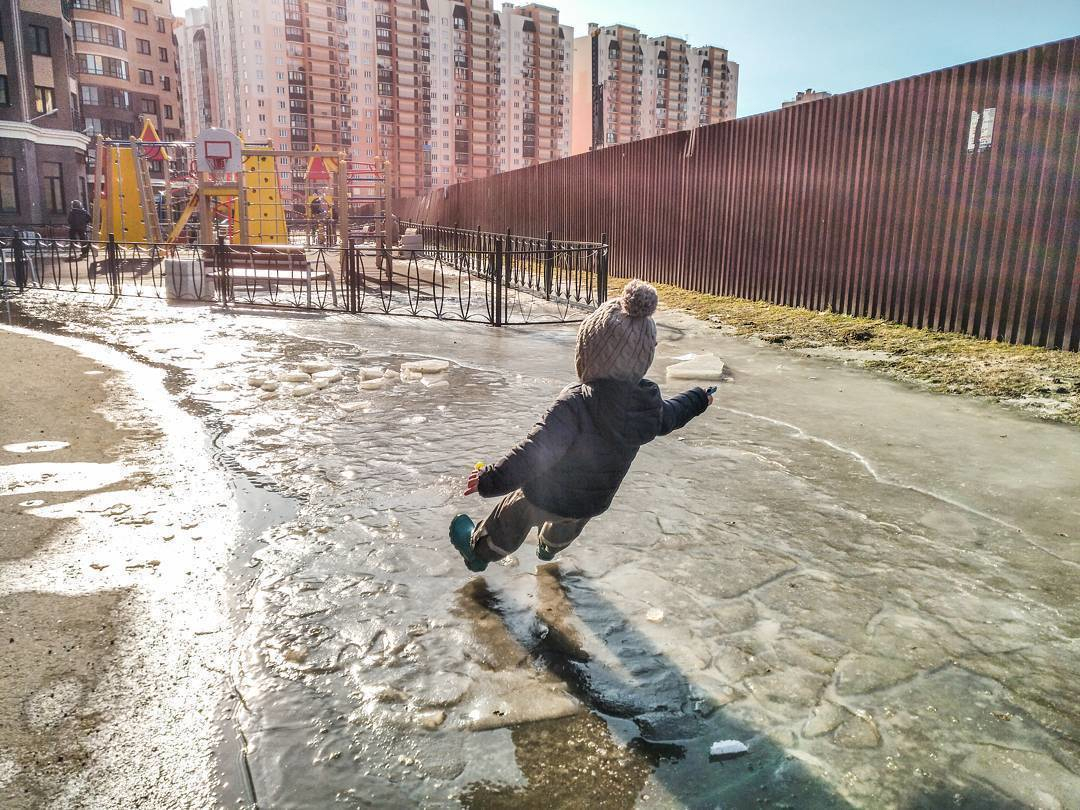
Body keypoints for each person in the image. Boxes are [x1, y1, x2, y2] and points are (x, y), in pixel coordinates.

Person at [450, 280, 714, 572]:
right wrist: (698, 398)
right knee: (569, 522)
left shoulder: (575, 404)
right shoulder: (648, 406)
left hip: (544, 494)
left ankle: (478, 550)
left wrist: (491, 479)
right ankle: (549, 548)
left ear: (588, 353)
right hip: (593, 500)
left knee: (509, 519)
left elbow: (536, 451)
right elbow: (672, 414)